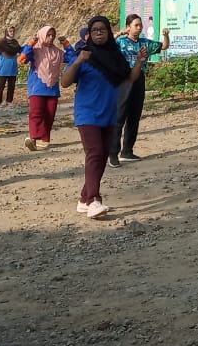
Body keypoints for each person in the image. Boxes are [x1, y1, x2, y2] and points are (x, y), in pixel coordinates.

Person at [60, 15, 143, 219]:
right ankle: (94, 200)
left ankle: (83, 198)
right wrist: (78, 61)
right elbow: (64, 82)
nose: (99, 33)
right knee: (95, 153)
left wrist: (140, 62)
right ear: (89, 33)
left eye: (103, 30)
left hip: (109, 113)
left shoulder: (116, 56)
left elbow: (129, 78)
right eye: (95, 30)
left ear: (108, 33)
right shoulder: (83, 54)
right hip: (87, 112)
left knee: (103, 156)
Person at [111, 16, 168, 164]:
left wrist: (166, 36)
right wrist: (119, 33)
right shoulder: (120, 42)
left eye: (140, 25)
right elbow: (107, 45)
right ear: (128, 26)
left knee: (134, 116)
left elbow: (163, 46)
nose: (139, 27)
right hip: (124, 79)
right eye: (136, 25)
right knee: (119, 116)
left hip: (139, 79)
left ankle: (127, 151)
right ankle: (112, 154)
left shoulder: (144, 43)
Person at [19, 26, 64, 151]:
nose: (50, 38)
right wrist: (31, 43)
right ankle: (33, 138)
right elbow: (22, 59)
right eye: (48, 35)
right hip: (37, 87)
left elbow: (72, 59)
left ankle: (44, 138)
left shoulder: (57, 52)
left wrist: (66, 44)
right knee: (36, 113)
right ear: (42, 35)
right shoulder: (35, 50)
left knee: (50, 114)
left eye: (52, 36)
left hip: (53, 88)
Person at [0, 25, 21, 105]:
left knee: (11, 86)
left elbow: (21, 49)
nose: (12, 33)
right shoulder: (1, 42)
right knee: (0, 86)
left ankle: (9, 101)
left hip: (13, 68)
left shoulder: (15, 43)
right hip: (3, 68)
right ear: (6, 32)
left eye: (13, 31)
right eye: (10, 31)